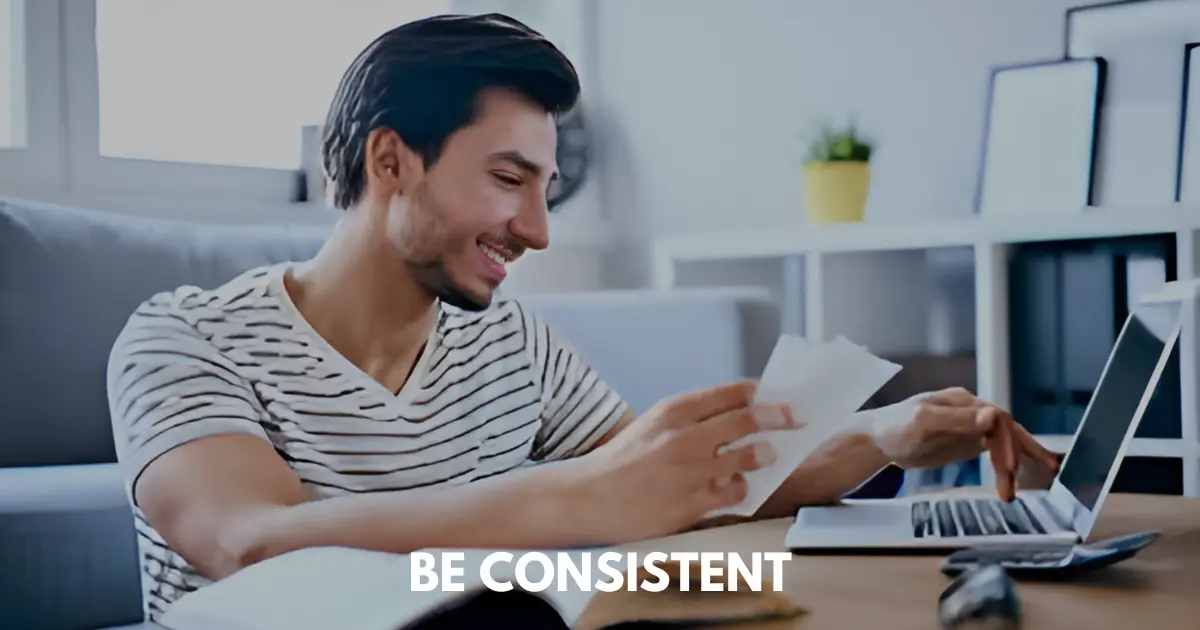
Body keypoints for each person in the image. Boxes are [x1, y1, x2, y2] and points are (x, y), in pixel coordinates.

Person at [105, 12, 1061, 622]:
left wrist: (881, 436)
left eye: (548, 190)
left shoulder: (508, 340)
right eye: (508, 180)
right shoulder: (183, 337)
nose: (537, 230)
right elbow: (244, 543)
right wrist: (582, 498)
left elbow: (689, 484)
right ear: (390, 161)